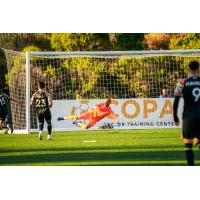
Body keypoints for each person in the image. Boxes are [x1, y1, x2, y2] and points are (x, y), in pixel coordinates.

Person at [173, 60, 200, 166]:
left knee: (188, 144)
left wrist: (175, 117)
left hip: (188, 117)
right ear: (198, 69)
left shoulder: (182, 83)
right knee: (198, 140)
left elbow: (176, 101)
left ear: (188, 69)